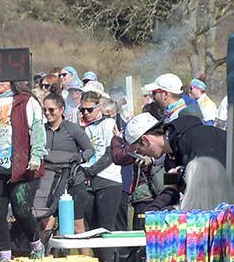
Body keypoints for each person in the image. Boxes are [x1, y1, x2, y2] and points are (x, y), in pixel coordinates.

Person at [0, 80, 48, 262]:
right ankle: (5, 258)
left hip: (22, 166)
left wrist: (36, 155)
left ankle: (37, 246)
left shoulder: (25, 101)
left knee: (21, 210)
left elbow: (38, 129)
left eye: (3, 79)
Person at [126, 111, 228, 210]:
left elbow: (212, 192)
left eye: (138, 149)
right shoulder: (169, 161)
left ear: (145, 140)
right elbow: (170, 190)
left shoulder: (199, 139)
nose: (141, 154)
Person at [38, 92, 93, 235]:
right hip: (47, 182)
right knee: (45, 221)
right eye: (44, 110)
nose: (47, 113)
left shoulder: (72, 129)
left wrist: (80, 158)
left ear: (62, 109)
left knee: (77, 226)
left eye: (51, 110)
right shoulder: (41, 130)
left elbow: (89, 149)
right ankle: (48, 255)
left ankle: (85, 257)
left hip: (73, 181)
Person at [77, 89, 123, 234]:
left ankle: (109, 258)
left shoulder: (108, 123)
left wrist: (89, 172)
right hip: (89, 182)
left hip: (108, 180)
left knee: (105, 227)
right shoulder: (83, 127)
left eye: (89, 109)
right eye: (82, 109)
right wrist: (80, 129)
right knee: (92, 228)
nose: (85, 113)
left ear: (99, 107)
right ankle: (99, 258)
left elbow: (109, 154)